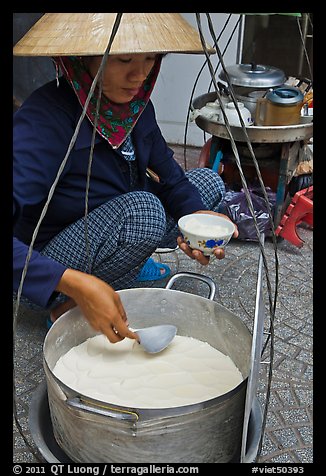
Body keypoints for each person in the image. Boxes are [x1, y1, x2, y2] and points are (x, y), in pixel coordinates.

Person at [13, 13, 238, 344]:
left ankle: (124, 264)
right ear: (83, 57)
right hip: (46, 260)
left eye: (150, 58)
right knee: (144, 211)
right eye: (124, 59)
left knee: (208, 185)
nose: (140, 74)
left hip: (109, 219)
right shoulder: (44, 120)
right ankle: (67, 306)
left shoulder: (137, 108)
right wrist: (73, 282)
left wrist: (198, 222)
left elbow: (173, 179)